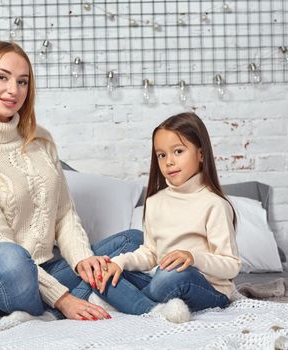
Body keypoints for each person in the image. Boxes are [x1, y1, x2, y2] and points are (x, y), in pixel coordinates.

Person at [0, 41, 142, 321]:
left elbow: (64, 215)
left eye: (23, 82)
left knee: (132, 240)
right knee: (13, 259)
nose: (14, 90)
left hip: (44, 270)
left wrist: (83, 258)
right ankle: (60, 304)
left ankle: (44, 309)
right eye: (2, 77)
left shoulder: (41, 141)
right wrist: (64, 298)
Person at [93, 112, 242, 323]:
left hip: (206, 288)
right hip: (160, 281)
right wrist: (119, 262)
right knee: (103, 272)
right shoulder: (154, 202)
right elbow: (150, 253)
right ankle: (154, 310)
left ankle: (126, 301)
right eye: (161, 155)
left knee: (170, 274)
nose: (169, 162)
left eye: (178, 151)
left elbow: (231, 265)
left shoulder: (214, 204)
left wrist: (193, 257)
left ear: (201, 154)